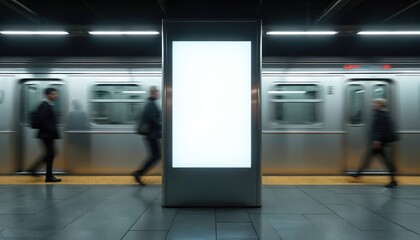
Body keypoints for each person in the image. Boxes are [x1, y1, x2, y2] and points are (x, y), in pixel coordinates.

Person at [353, 98, 397, 188]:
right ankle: (358, 174)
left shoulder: (382, 115)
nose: (373, 105)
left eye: (375, 103)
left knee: (385, 161)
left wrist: (377, 140)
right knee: (368, 158)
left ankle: (393, 180)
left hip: (379, 143)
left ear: (380, 105)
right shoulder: (381, 114)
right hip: (378, 142)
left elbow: (380, 129)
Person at [28, 88, 62, 182]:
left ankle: (38, 171)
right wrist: (52, 130)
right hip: (46, 134)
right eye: (54, 94)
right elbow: (43, 121)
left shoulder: (47, 105)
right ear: (48, 95)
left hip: (47, 134)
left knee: (50, 154)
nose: (56, 96)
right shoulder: (44, 105)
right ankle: (46, 175)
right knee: (51, 154)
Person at [133, 86, 161, 185]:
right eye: (157, 92)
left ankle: (139, 173)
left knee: (155, 156)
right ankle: (139, 173)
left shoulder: (150, 103)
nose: (159, 94)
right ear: (153, 93)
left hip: (151, 135)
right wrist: (161, 126)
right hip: (151, 135)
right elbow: (152, 119)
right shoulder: (151, 104)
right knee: (156, 156)